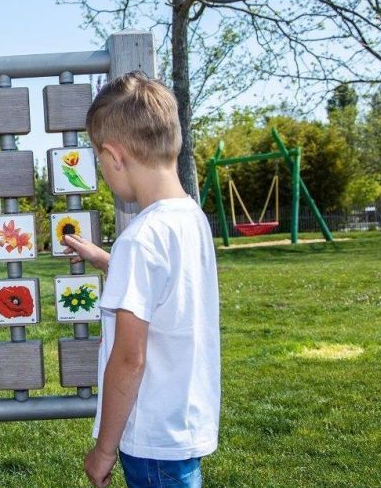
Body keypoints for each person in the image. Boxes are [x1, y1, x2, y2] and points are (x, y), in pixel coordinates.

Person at [63, 72, 220, 488]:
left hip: (149, 440)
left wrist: (104, 449)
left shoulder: (141, 239)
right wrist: (103, 259)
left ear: (114, 156)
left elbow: (129, 360)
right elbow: (166, 287)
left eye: (99, 160)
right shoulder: (190, 218)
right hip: (181, 427)